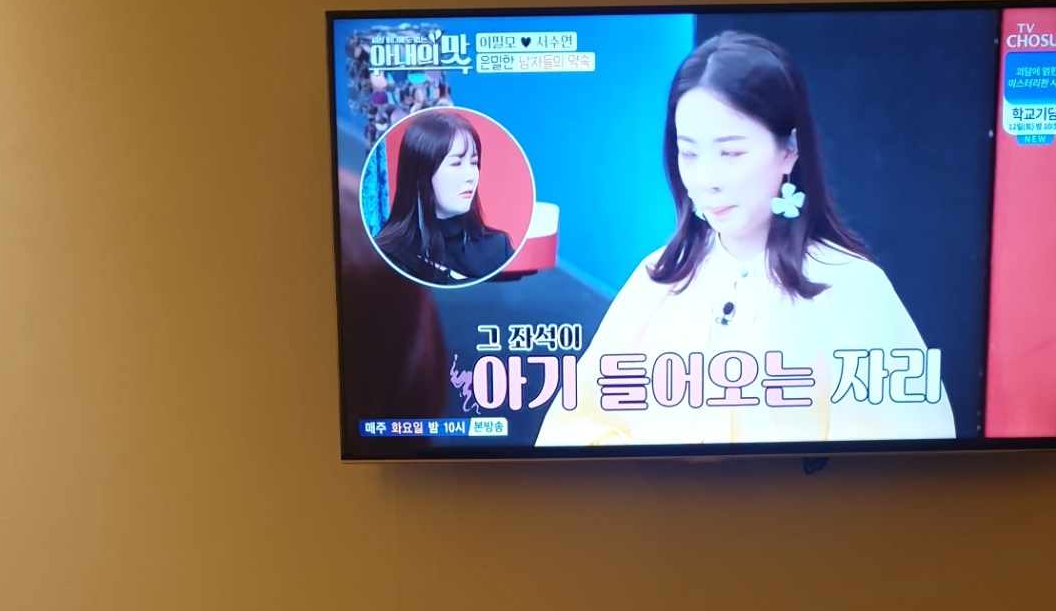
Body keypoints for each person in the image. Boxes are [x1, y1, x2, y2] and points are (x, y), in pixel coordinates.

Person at [536, 31, 956, 445]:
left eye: (731, 153)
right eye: (689, 153)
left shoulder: (849, 286)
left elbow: (912, 452)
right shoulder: (657, 280)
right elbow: (572, 433)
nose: (707, 179)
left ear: (789, 150)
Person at [373, 109, 515, 286]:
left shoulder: (498, 248)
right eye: (456, 163)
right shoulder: (386, 256)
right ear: (420, 174)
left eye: (474, 162)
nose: (470, 176)